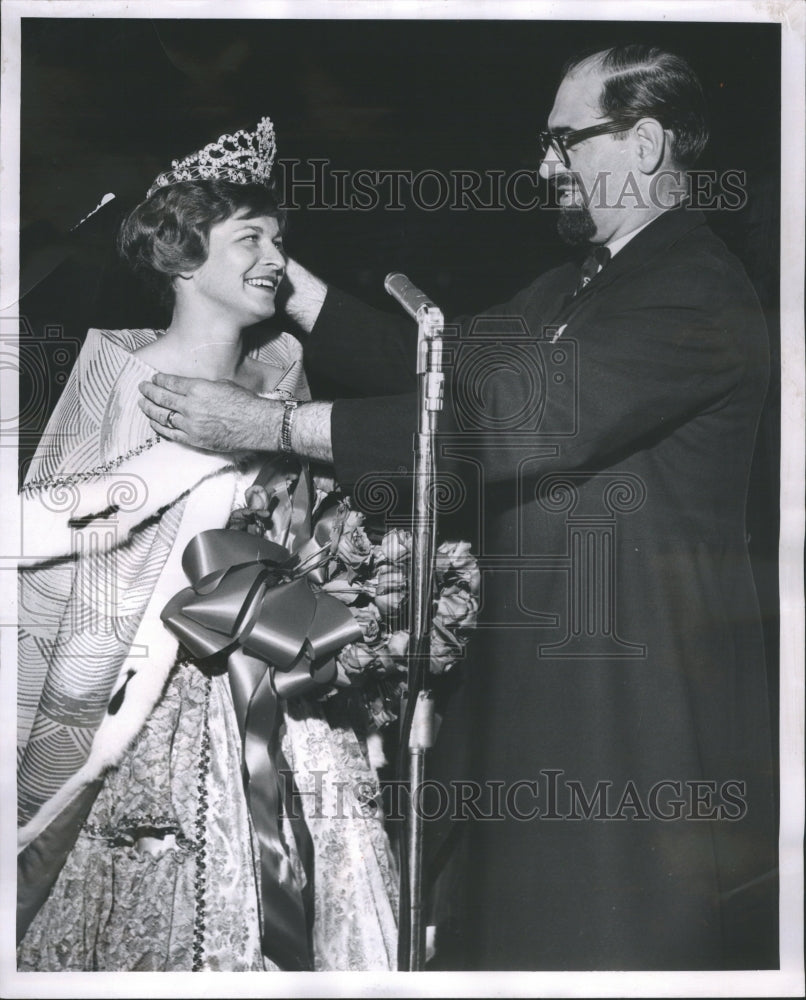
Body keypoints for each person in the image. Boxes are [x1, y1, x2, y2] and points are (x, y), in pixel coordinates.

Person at [139, 45, 778, 970]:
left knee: (612, 948)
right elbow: (439, 366)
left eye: (566, 143)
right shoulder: (577, 284)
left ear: (642, 144)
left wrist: (276, 423)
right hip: (532, 702)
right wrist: (285, 276)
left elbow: (509, 424)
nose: (545, 167)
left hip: (632, 721)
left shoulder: (695, 291)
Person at [17, 118, 398, 972]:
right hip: (141, 705)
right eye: (250, 239)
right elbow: (52, 552)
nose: (276, 260)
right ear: (181, 256)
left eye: (281, 239)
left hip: (281, 698)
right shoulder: (117, 372)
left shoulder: (286, 377)